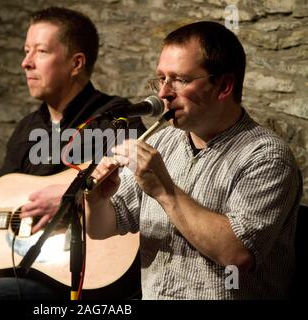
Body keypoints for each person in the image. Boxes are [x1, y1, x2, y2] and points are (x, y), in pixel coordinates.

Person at [0, 6, 145, 300]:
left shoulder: (116, 119)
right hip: (21, 267)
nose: (25, 63)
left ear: (76, 63)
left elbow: (139, 189)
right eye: (25, 51)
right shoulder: (26, 129)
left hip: (77, 274)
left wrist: (69, 200)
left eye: (41, 51)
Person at [85, 21, 302, 299]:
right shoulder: (163, 141)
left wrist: (165, 189)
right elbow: (102, 227)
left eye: (180, 80)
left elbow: (237, 254)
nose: (163, 93)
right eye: (161, 78)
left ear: (223, 86)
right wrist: (97, 199)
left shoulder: (267, 157)